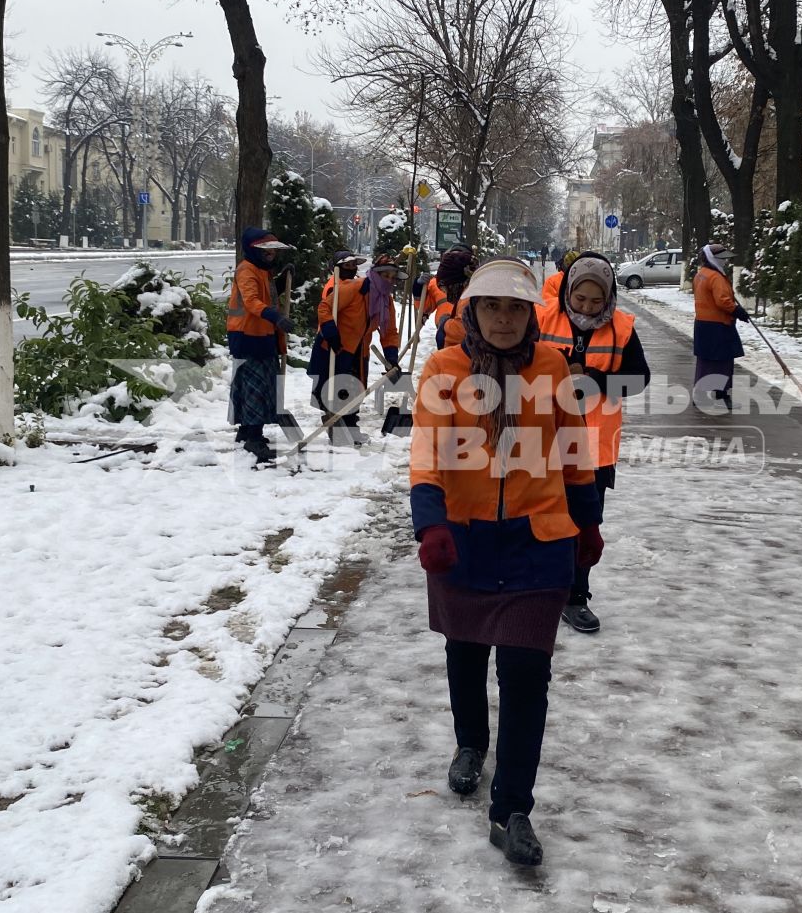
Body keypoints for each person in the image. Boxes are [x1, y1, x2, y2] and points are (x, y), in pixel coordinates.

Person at [411, 257, 602, 868]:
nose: (502, 319)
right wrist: (431, 523)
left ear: (530, 314)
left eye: (515, 308)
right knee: (465, 654)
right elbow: (428, 454)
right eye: (491, 306)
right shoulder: (444, 368)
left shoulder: (552, 367)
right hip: (464, 540)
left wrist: (588, 523)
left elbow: (576, 451)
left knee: (526, 676)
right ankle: (471, 744)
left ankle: (512, 809)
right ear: (471, 310)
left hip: (536, 543)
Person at [537, 252, 650, 634]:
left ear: (609, 297)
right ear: (568, 291)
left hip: (594, 445)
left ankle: (575, 596)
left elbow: (639, 379)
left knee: (585, 522)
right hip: (542, 439)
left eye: (596, 301)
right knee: (538, 514)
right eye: (580, 299)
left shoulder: (621, 328)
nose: (586, 307)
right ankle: (537, 588)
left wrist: (595, 380)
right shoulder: (543, 318)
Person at [314, 251, 400, 442]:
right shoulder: (355, 288)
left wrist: (391, 356)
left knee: (356, 389)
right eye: (385, 275)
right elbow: (324, 308)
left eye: (392, 277)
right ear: (375, 273)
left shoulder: (386, 300)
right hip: (335, 346)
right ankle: (336, 427)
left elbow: (389, 331)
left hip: (359, 349)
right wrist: (330, 330)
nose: (389, 280)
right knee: (335, 388)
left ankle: (351, 426)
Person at [227, 227, 295, 463]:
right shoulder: (247, 270)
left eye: (273, 251)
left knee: (258, 383)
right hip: (247, 335)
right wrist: (276, 318)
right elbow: (252, 300)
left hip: (260, 334)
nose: (271, 255)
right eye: (266, 251)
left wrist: (279, 276)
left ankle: (246, 430)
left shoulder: (261, 270)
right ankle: (253, 437)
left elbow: (264, 292)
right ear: (253, 250)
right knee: (254, 386)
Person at [692, 243, 746, 410]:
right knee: (724, 362)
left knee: (705, 361)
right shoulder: (715, 277)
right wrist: (738, 311)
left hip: (703, 325)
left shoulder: (701, 274)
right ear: (712, 258)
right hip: (718, 326)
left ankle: (700, 395)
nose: (725, 262)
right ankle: (722, 396)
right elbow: (722, 301)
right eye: (722, 259)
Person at [429, 246, 475, 351]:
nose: (446, 294)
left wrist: (444, 325)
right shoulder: (469, 292)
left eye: (445, 289)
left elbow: (462, 331)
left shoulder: (469, 298)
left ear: (452, 284)